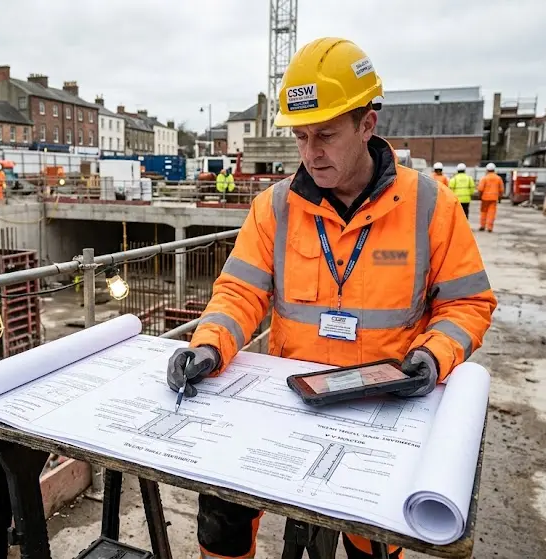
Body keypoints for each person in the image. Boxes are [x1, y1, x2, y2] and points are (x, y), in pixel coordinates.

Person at [165, 37, 496, 559]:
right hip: (289, 397)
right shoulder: (275, 208)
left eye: (325, 135)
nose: (310, 154)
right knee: (221, 513)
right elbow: (239, 293)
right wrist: (209, 347)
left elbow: (468, 305)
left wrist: (433, 357)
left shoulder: (429, 205)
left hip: (381, 407)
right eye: (300, 137)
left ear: (368, 123)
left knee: (374, 536)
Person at [477, 163, 505, 232]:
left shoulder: (484, 178)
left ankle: (482, 226)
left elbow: (480, 189)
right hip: (494, 198)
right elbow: (501, 190)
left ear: (487, 170)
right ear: (494, 170)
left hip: (485, 198)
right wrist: (500, 198)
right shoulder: (498, 178)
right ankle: (490, 227)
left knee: (483, 212)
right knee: (492, 213)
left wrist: (480, 197)